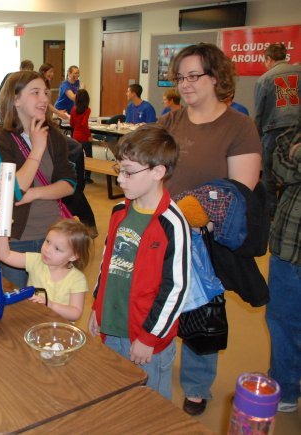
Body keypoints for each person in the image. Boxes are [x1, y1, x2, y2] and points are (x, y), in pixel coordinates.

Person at [158, 42, 261, 416]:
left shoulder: (238, 126)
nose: (185, 85)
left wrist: (194, 209)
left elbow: (241, 192)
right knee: (162, 301)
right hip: (166, 229)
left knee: (202, 310)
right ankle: (157, 364)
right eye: (180, 77)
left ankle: (198, 385)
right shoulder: (170, 121)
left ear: (216, 77)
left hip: (206, 238)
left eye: (193, 76)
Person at [89, 125, 190, 399]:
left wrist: (149, 337)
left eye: (129, 171)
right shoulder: (120, 210)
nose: (121, 179)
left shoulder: (173, 223)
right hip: (112, 326)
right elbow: (107, 263)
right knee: (114, 396)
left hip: (146, 338)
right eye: (119, 170)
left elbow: (176, 289)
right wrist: (98, 307)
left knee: (149, 406)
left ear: (158, 171)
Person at [0, 71, 76, 288]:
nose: (44, 99)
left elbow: (69, 184)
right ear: (15, 99)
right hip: (16, 237)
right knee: (17, 307)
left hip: (52, 236)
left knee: (48, 303)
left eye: (45, 92)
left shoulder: (54, 135)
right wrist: (37, 149)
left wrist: (34, 193)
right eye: (35, 92)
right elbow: (13, 189)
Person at [266, 124, 300, 413]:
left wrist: (296, 158)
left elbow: (290, 166)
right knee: (281, 319)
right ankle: (286, 386)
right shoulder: (293, 132)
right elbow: (277, 167)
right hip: (287, 244)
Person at [0, 218, 92, 321]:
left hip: (60, 330)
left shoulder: (77, 279)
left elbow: (75, 313)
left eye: (57, 249)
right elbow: (4, 255)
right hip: (32, 321)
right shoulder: (36, 260)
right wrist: (2, 231)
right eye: (47, 241)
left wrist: (49, 304)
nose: (47, 250)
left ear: (73, 256)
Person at [254, 42, 301, 218]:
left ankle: (271, 213)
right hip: (298, 130)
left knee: (269, 174)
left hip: (274, 131)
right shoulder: (299, 72)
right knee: (296, 171)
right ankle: (290, 210)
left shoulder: (265, 78)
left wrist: (256, 139)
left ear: (268, 59)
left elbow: (259, 112)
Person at [70, 89, 93, 184]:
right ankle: (87, 177)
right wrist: (89, 136)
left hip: (75, 136)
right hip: (84, 137)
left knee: (77, 157)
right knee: (89, 157)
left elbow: (71, 123)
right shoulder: (87, 110)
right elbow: (84, 124)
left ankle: (77, 175)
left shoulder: (74, 109)